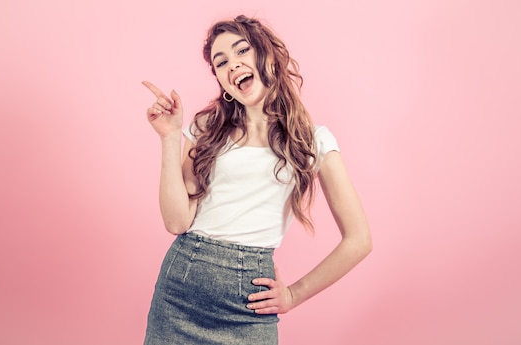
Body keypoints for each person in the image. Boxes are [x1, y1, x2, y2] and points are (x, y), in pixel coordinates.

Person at [141, 14, 372, 345]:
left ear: (268, 58)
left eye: (241, 51)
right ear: (222, 82)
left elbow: (359, 239)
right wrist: (169, 137)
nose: (232, 65)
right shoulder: (206, 129)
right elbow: (177, 221)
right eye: (221, 63)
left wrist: (293, 294)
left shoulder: (314, 141)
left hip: (249, 304)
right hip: (180, 288)